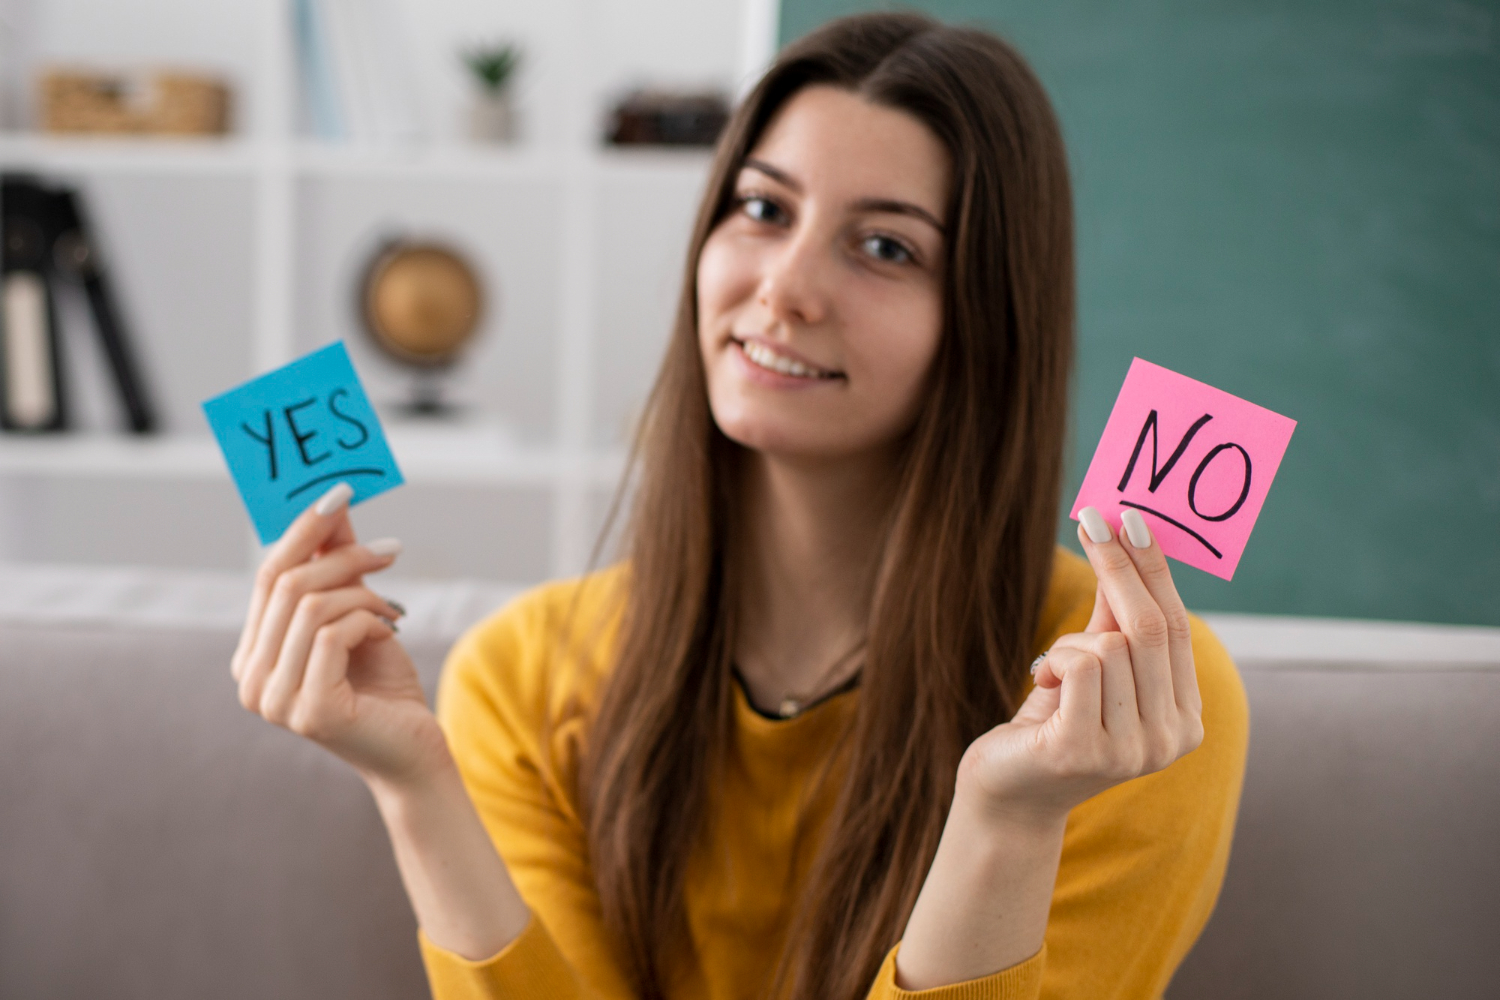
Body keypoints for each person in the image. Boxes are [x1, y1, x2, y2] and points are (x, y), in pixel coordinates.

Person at [230, 12, 1248, 1000]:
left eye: (885, 247)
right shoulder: (523, 675)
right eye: (763, 209)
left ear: (987, 320)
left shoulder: (1130, 702)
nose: (784, 288)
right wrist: (414, 788)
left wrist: (1008, 820)